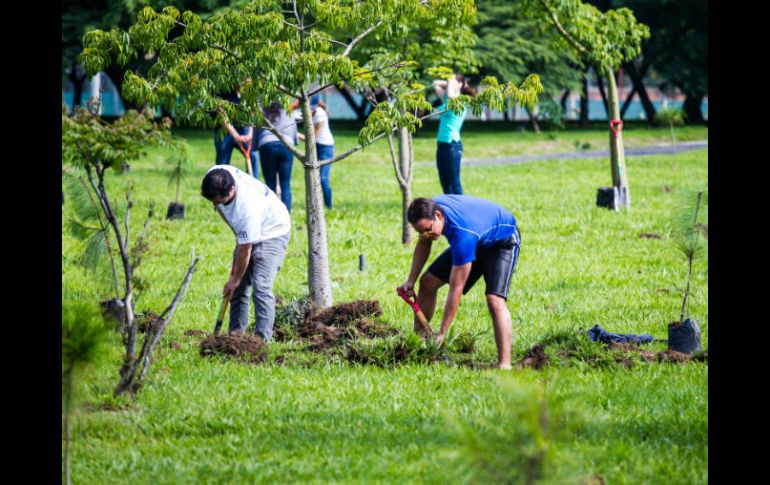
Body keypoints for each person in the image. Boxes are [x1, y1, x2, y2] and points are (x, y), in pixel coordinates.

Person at [398, 195, 521, 369]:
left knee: (495, 300)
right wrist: (411, 280)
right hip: (478, 237)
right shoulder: (428, 211)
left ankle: (504, 364)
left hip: (502, 241)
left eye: (428, 229)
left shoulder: (463, 236)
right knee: (427, 282)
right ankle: (419, 341)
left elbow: (455, 290)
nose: (425, 235)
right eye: (420, 232)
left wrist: (443, 333)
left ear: (438, 216)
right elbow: (424, 243)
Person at [200, 165, 291, 341]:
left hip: (273, 231)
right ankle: (235, 336)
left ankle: (260, 341)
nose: (216, 205)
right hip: (248, 231)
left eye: (220, 201)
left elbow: (245, 248)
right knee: (238, 288)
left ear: (231, 190)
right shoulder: (215, 173)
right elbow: (240, 237)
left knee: (261, 286)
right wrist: (238, 232)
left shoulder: (246, 209)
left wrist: (234, 279)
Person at [432, 74, 477, 195]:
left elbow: (452, 96)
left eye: (453, 81)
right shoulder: (447, 99)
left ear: (460, 84)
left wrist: (452, 84)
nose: (450, 82)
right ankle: (449, 209)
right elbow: (435, 84)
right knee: (444, 181)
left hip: (452, 145)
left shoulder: (461, 101)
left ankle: (461, 208)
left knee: (454, 182)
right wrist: (449, 82)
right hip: (441, 144)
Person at [258, 102, 298, 211]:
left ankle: (272, 216)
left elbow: (257, 129)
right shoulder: (287, 109)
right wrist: (294, 141)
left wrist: (253, 146)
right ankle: (286, 217)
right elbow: (293, 127)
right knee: (285, 184)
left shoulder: (263, 109)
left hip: (267, 145)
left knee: (270, 184)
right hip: (286, 145)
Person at [297, 95, 335, 209]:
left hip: (326, 148)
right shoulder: (307, 112)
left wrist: (295, 135)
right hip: (316, 147)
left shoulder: (319, 113)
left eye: (311, 107)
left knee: (323, 179)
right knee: (314, 177)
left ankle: (329, 207)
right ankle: (317, 205)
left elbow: (312, 138)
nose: (310, 109)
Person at [214, 88, 260, 177]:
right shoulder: (223, 92)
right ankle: (221, 185)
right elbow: (222, 115)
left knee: (253, 156)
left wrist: (250, 134)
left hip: (244, 129)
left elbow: (253, 113)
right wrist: (236, 136)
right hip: (225, 132)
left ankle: (253, 184)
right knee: (222, 164)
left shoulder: (249, 92)